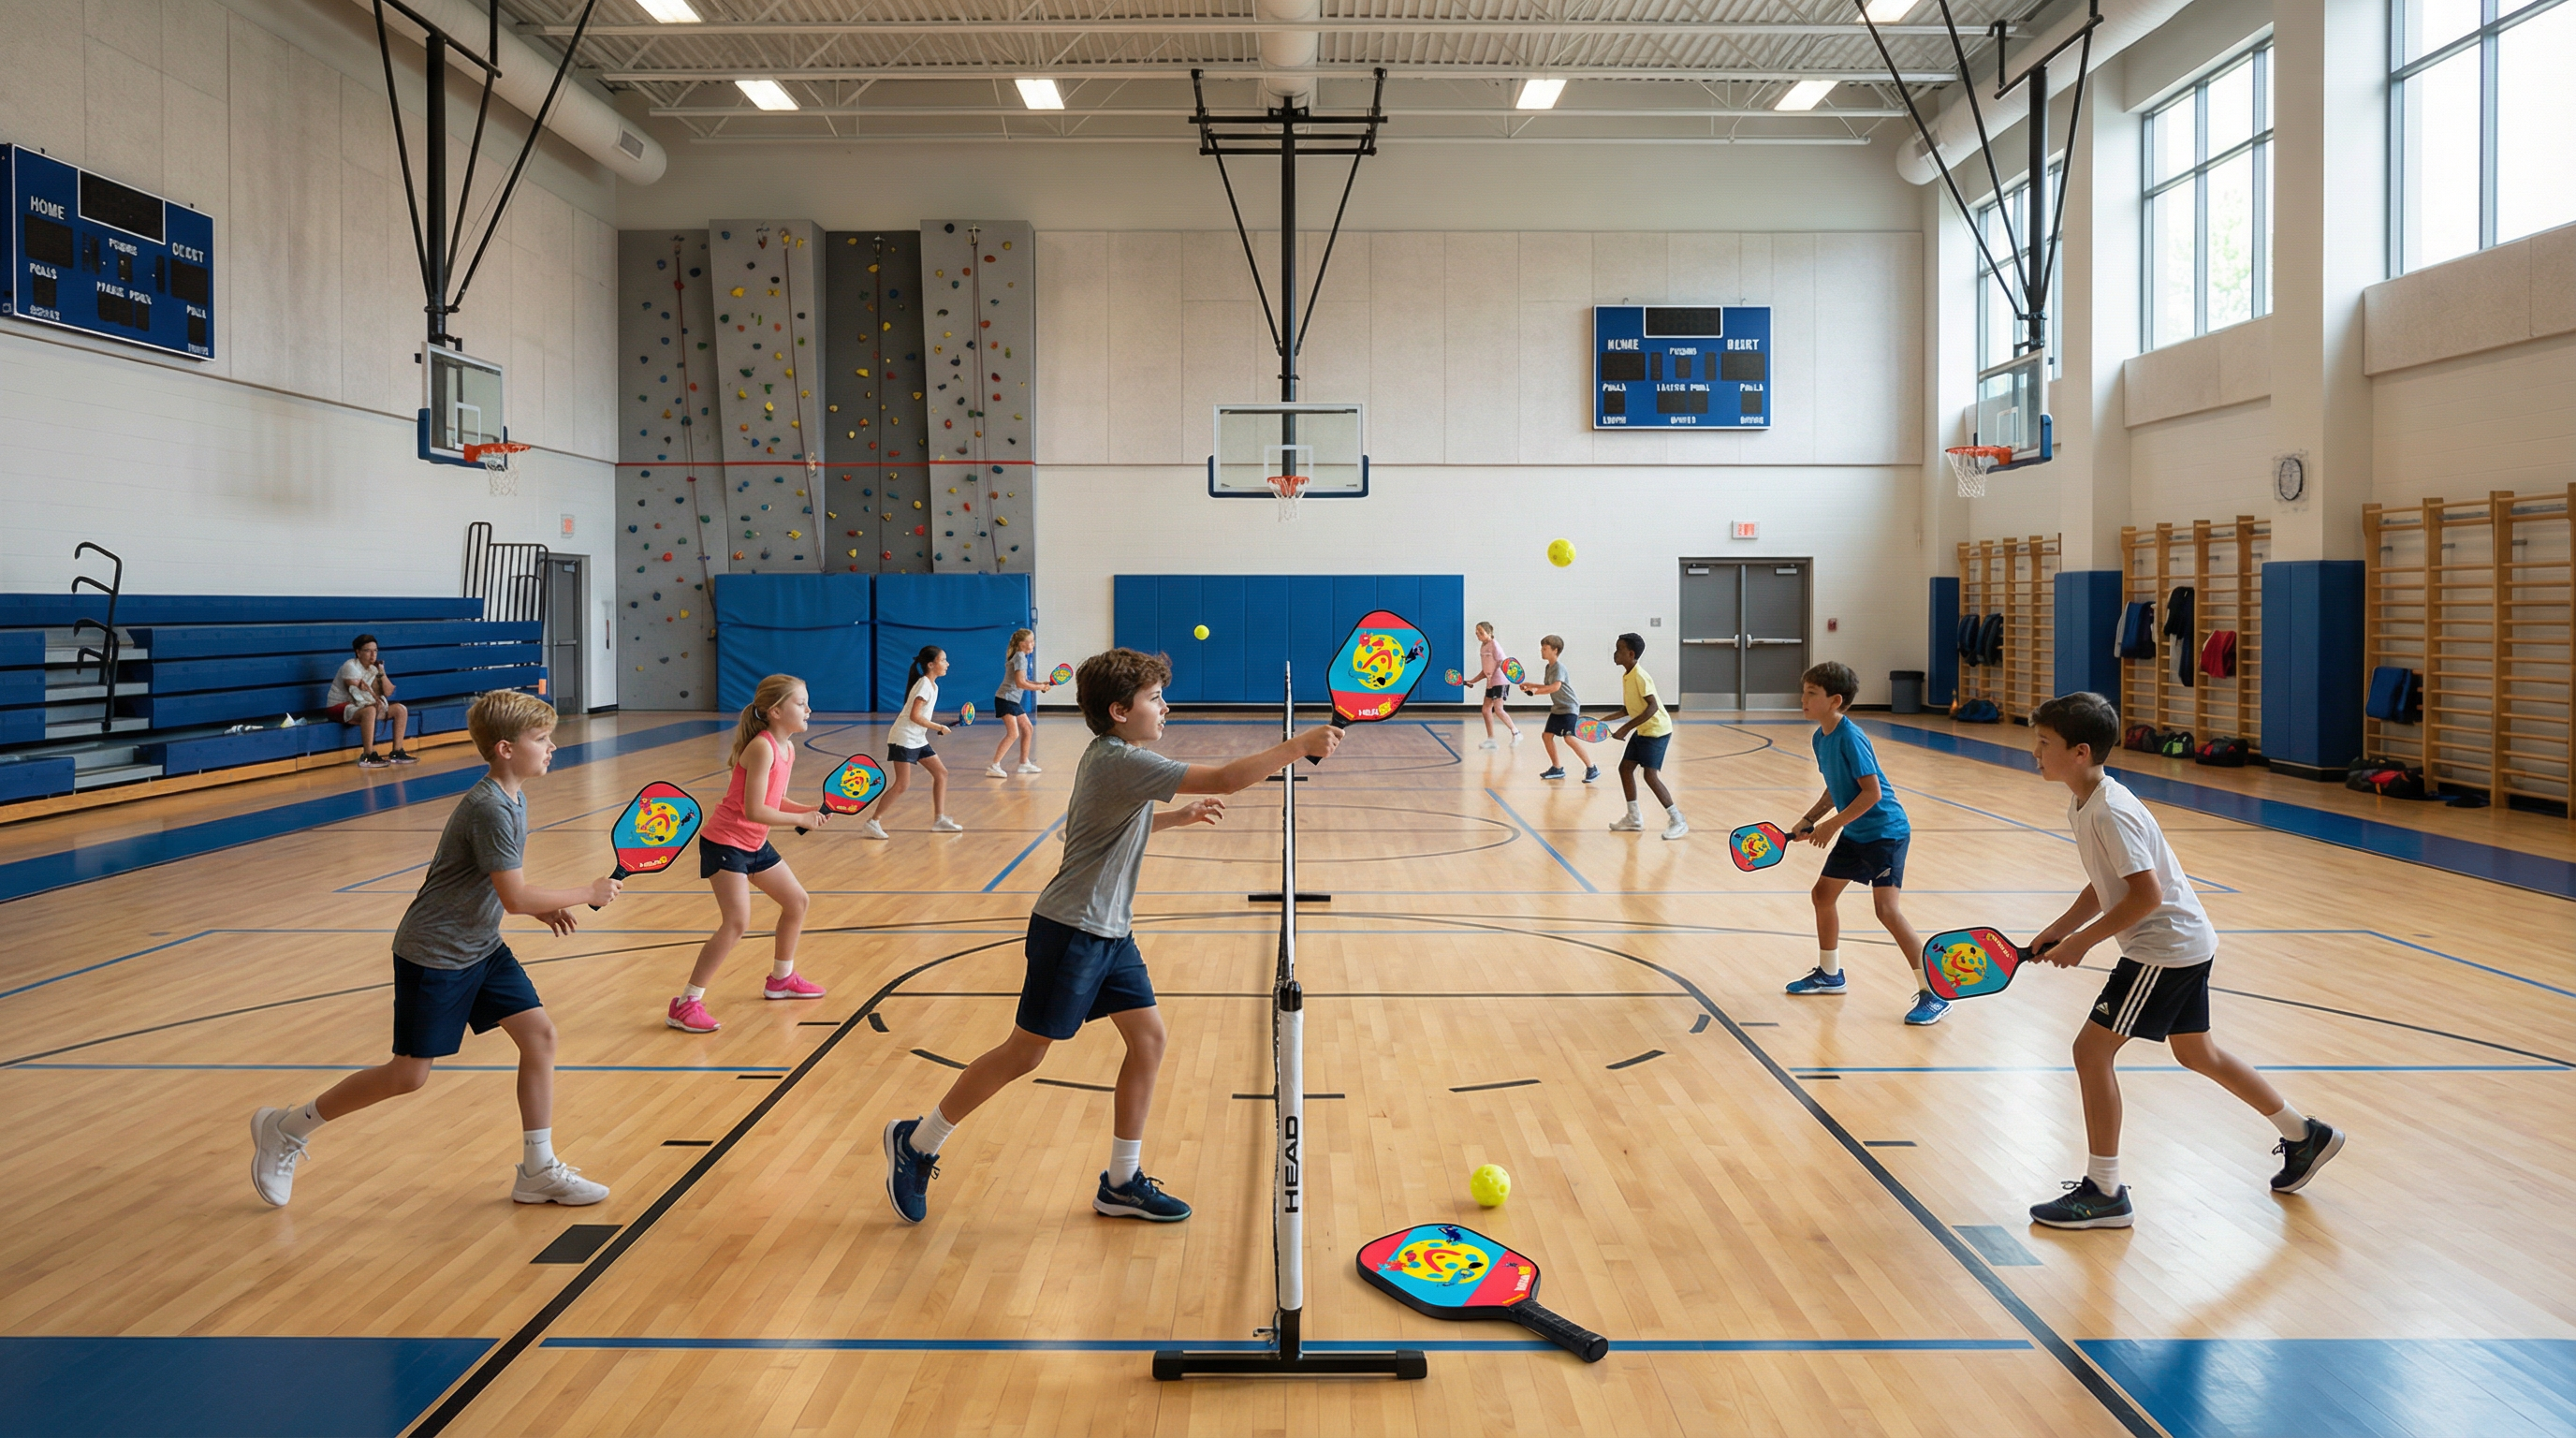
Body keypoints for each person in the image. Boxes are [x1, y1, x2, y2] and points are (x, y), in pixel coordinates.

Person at [880, 648, 1341, 1226]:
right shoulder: (1121, 760)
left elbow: (1104, 825)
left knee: (1148, 1040)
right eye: (1155, 698)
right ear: (1120, 711)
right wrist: (1298, 745)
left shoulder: (1112, 757)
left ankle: (1122, 1182)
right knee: (1024, 1054)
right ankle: (917, 1141)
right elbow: (1227, 778)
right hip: (1072, 930)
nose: (1166, 707)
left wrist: (1176, 817)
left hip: (1110, 931)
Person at [248, 690, 621, 1207]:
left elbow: (497, 883)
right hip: (435, 953)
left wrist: (541, 907)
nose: (551, 746)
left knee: (540, 1038)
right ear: (506, 749)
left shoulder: (514, 798)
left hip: (481, 945)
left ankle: (537, 1170)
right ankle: (287, 1128)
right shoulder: (490, 808)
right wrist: (585, 892)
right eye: (541, 738)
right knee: (408, 1076)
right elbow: (514, 897)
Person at [2022, 691, 2346, 1228]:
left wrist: (2083, 943)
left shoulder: (2111, 810)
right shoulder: (2085, 802)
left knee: (2091, 1052)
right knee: (2198, 1053)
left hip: (2163, 948)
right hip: (2184, 943)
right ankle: (2303, 1134)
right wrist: (2062, 928)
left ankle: (2106, 1191)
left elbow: (2146, 895)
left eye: (2044, 742)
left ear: (2080, 752)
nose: (2035, 751)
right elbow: (2105, 881)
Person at [1779, 661, 1946, 1025]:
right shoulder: (1820, 737)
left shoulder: (1851, 737)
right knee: (1822, 896)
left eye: (1812, 693)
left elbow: (1871, 793)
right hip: (1856, 832)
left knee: (1887, 910)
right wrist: (1810, 819)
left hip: (1886, 832)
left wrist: (1831, 826)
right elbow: (1835, 787)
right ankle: (1830, 974)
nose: (1803, 699)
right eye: (1803, 691)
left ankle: (1934, 991)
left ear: (1835, 700)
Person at [666, 674, 831, 1034]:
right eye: (801, 703)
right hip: (726, 843)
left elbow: (775, 800)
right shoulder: (762, 747)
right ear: (776, 711)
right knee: (736, 922)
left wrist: (809, 809)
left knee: (797, 902)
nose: (809, 709)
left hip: (753, 843)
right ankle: (686, 1003)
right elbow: (755, 809)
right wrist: (799, 819)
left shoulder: (787, 748)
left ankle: (782, 980)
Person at [870, 645, 959, 838]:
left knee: (941, 773)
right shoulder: (924, 684)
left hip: (917, 739)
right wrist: (938, 727)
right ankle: (873, 822)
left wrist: (940, 725)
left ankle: (939, 820)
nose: (947, 664)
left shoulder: (932, 685)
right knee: (902, 784)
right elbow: (914, 716)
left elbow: (922, 716)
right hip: (903, 738)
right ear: (931, 664)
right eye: (943, 660)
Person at [1605, 632, 1685, 839]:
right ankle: (1634, 818)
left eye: (1619, 649)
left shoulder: (1640, 676)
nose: (1615, 653)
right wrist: (1603, 721)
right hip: (1643, 729)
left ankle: (1677, 819)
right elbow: (1627, 709)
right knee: (1625, 769)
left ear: (1631, 654)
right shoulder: (1627, 675)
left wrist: (1625, 729)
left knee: (1650, 775)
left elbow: (1652, 707)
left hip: (1656, 730)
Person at [1518, 635, 1597, 783]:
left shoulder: (1559, 668)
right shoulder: (1549, 667)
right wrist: (1531, 685)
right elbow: (1548, 685)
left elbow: (1555, 687)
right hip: (1558, 708)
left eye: (1545, 648)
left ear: (1555, 650)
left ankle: (1591, 768)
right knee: (1547, 736)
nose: (1542, 651)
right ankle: (1557, 768)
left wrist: (1535, 691)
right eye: (1541, 648)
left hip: (1569, 707)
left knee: (1569, 738)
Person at [330, 634, 413, 768]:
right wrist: (376, 704)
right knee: (370, 711)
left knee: (400, 709)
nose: (373, 655)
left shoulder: (373, 669)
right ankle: (368, 755)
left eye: (375, 651)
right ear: (358, 652)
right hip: (340, 706)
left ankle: (397, 752)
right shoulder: (350, 666)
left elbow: (388, 692)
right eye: (368, 651)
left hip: (361, 707)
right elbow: (356, 693)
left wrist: (382, 672)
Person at [986, 628, 1056, 778]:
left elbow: (1024, 680)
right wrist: (1040, 688)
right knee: (1013, 733)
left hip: (1011, 700)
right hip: (1006, 699)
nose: (1033, 644)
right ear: (1022, 643)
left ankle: (1024, 763)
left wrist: (1039, 684)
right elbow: (1020, 683)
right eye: (1030, 641)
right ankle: (994, 766)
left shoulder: (1020, 656)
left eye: (1033, 641)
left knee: (1027, 728)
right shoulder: (1020, 657)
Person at [1466, 621, 1523, 750]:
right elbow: (1486, 670)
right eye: (1476, 633)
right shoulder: (1483, 647)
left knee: (1498, 709)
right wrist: (1473, 681)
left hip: (1500, 681)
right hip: (1491, 682)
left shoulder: (1494, 645)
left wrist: (1502, 676)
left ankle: (1516, 733)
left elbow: (1503, 663)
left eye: (1481, 632)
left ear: (1489, 632)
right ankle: (1491, 740)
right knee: (1486, 710)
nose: (1478, 635)